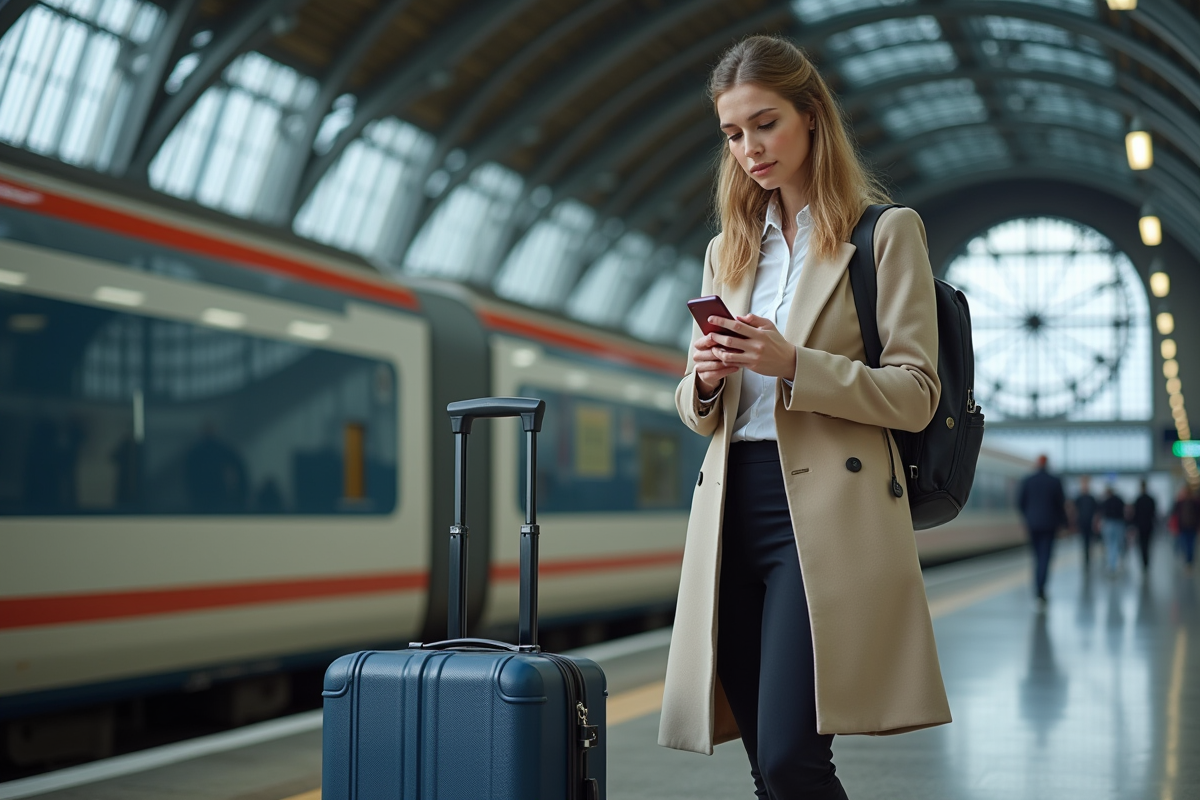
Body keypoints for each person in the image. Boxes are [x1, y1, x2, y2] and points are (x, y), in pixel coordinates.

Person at [658, 36, 950, 800]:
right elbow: (695, 410)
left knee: (793, 761)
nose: (749, 149)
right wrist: (707, 378)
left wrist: (796, 366)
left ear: (811, 118)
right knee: (768, 770)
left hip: (820, 516)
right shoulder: (727, 250)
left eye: (765, 124)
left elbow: (918, 392)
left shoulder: (882, 235)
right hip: (729, 514)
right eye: (732, 134)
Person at [1017, 455, 1066, 608]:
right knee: (1045, 557)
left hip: (1033, 525)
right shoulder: (1055, 481)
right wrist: (1064, 523)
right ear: (1048, 465)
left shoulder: (1028, 480)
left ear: (1037, 464)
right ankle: (1041, 590)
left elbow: (1020, 502)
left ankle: (1037, 589)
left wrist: (1028, 517)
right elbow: (1060, 504)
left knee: (1037, 557)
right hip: (1049, 525)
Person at [1098, 485, 1128, 576]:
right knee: (1118, 543)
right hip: (1119, 523)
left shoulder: (1105, 501)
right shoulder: (1119, 500)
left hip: (1108, 524)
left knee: (1110, 544)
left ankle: (1112, 564)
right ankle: (1117, 562)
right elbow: (1124, 511)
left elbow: (1101, 513)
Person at [1071, 476, 1099, 569]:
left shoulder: (1091, 498)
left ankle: (1088, 559)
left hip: (1090, 524)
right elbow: (1074, 511)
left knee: (1089, 542)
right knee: (1084, 542)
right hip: (1082, 523)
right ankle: (1086, 559)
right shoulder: (1078, 498)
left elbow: (1096, 512)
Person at [1131, 480, 1157, 575]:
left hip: (1140, 526)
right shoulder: (1151, 499)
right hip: (1149, 525)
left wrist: (1133, 525)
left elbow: (1134, 514)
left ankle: (1144, 563)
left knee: (1142, 545)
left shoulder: (1138, 499)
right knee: (1148, 545)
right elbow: (1154, 513)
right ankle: (1147, 562)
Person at [1172, 485, 1199, 572]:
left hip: (1189, 526)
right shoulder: (1183, 502)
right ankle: (1189, 561)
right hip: (1185, 527)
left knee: (1189, 545)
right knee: (1187, 544)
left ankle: (1189, 561)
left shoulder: (1193, 502)